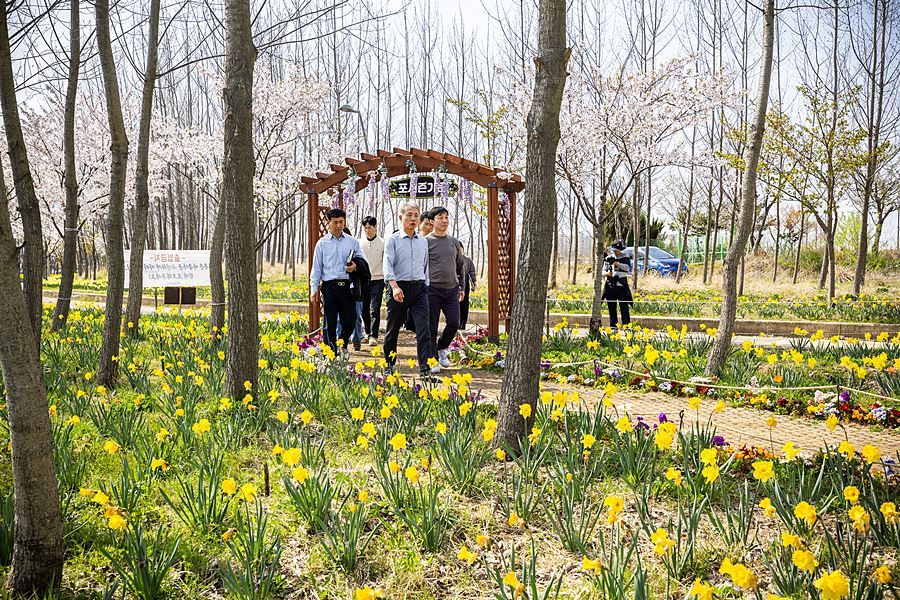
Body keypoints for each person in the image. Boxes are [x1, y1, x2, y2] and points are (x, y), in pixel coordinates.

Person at [382, 202, 434, 380]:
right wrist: (394, 287)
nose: (413, 219)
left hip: (419, 289)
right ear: (400, 218)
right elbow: (387, 265)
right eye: (409, 215)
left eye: (416, 216)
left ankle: (425, 369)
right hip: (398, 288)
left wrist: (425, 285)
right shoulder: (393, 240)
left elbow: (425, 265)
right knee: (393, 328)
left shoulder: (423, 242)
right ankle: (389, 366)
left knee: (424, 329)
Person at [310, 209, 363, 356]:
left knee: (350, 320)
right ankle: (330, 353)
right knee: (330, 322)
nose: (339, 225)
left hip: (347, 286)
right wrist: (313, 289)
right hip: (329, 287)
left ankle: (343, 342)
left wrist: (355, 266)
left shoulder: (352, 242)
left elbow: (361, 261)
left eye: (341, 222)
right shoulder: (322, 244)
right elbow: (316, 268)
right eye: (335, 222)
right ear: (328, 223)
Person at [425, 207, 465, 369]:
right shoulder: (426, 241)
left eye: (446, 217)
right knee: (431, 326)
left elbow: (460, 265)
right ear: (432, 221)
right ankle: (432, 359)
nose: (444, 221)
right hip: (432, 290)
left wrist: (461, 286)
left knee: (454, 322)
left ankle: (441, 348)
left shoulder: (453, 242)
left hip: (452, 290)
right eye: (440, 218)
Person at [405, 209, 435, 333]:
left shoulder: (435, 240)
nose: (428, 227)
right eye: (425, 223)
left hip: (431, 280)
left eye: (431, 224)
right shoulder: (414, 238)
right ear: (420, 223)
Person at [360, 216, 385, 346]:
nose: (367, 230)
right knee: (364, 309)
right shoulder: (359, 243)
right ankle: (367, 332)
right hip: (364, 281)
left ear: (375, 227)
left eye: (370, 227)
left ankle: (373, 336)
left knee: (374, 309)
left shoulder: (382, 243)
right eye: (365, 228)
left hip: (378, 280)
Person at [601, 240, 633, 327]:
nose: (616, 252)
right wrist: (607, 274)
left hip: (621, 286)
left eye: (618, 250)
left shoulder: (625, 257)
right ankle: (613, 327)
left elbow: (627, 268)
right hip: (610, 286)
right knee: (611, 309)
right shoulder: (608, 258)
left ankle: (627, 327)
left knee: (624, 308)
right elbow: (603, 271)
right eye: (615, 250)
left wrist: (617, 263)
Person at [459, 241, 476, 331]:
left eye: (461, 248)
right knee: (455, 305)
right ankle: (456, 323)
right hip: (454, 285)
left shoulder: (467, 260)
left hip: (465, 285)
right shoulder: (452, 259)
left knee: (464, 305)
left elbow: (472, 272)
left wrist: (474, 283)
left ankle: (463, 323)